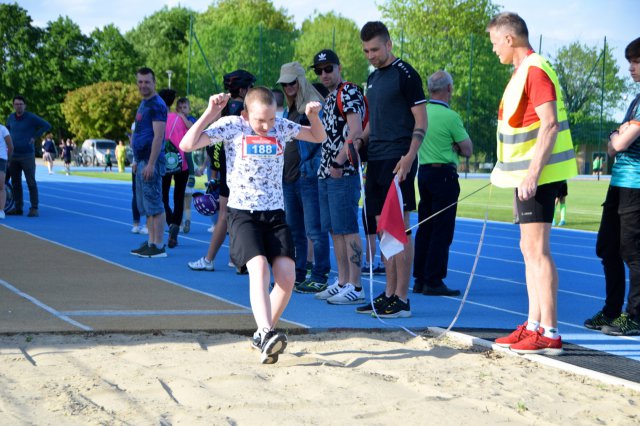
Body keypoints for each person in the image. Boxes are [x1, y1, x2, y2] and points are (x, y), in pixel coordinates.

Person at [180, 87, 327, 364]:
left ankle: (263, 335)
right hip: (243, 213)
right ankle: (266, 331)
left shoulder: (280, 126)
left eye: (271, 119)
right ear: (246, 114)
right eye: (260, 120)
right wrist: (211, 113)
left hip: (274, 213)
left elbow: (317, 136)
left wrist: (312, 117)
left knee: (287, 277)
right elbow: (187, 144)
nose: (267, 126)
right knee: (258, 267)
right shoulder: (232, 125)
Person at [487, 12, 578, 355]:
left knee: (537, 252)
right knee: (528, 250)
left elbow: (550, 124)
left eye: (495, 42)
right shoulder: (521, 72)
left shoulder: (535, 68)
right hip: (525, 177)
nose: (494, 49)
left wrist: (533, 174)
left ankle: (550, 332)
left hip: (539, 177)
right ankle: (534, 324)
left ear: (509, 39)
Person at [356, 22, 427, 318]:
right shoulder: (373, 79)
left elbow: (421, 121)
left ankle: (402, 298)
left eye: (374, 49)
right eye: (366, 51)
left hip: (399, 159)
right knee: (382, 229)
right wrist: (360, 138)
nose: (370, 55)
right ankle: (387, 294)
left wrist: (410, 156)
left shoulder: (406, 74)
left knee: (399, 229)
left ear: (389, 44)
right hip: (375, 159)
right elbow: (375, 119)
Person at [584, 36, 640, 337]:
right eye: (630, 61)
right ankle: (612, 310)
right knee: (607, 247)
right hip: (619, 183)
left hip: (636, 186)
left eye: (637, 61)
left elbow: (618, 142)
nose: (631, 67)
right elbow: (612, 147)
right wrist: (617, 137)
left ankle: (635, 316)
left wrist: (618, 136)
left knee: (633, 251)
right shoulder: (635, 100)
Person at [304, 49, 366, 304]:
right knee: (334, 229)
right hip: (326, 172)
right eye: (319, 71)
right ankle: (342, 281)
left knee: (347, 229)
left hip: (343, 171)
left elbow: (356, 131)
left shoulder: (349, 92)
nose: (324, 74)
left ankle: (357, 286)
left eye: (328, 68)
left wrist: (340, 162)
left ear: (339, 68)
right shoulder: (329, 98)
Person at [188, 70, 256, 273]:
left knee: (226, 216)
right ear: (244, 90)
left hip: (228, 172)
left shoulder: (222, 110)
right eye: (250, 87)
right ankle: (238, 259)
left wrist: (215, 174)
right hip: (244, 171)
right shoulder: (247, 111)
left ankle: (215, 259)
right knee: (244, 216)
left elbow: (213, 146)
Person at [413, 70, 473, 297]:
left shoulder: (422, 113)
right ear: (449, 88)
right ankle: (434, 279)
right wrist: (456, 146)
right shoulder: (451, 117)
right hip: (444, 175)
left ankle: (420, 277)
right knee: (442, 229)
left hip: (424, 172)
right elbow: (467, 149)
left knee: (425, 226)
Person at [276, 61, 331, 293]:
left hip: (307, 177)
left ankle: (319, 274)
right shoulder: (290, 108)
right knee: (294, 230)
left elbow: (322, 140)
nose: (288, 86)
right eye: (285, 83)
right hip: (289, 179)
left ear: (301, 81)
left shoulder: (312, 107)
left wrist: (309, 168)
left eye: (292, 82)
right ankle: (298, 273)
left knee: (314, 230)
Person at [129, 67, 168, 258]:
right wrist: (137, 160)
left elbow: (158, 136)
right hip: (142, 160)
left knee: (155, 205)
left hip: (151, 161)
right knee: (147, 206)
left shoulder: (157, 105)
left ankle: (158, 245)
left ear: (154, 83)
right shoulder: (145, 103)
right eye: (140, 82)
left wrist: (151, 163)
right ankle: (152, 242)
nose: (143, 85)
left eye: (147, 82)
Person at [6, 95, 51, 217]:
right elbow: (7, 132)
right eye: (16, 104)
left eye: (21, 104)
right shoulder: (10, 118)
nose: (19, 106)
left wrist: (35, 137)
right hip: (14, 155)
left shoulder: (31, 117)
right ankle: (18, 207)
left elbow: (47, 125)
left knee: (31, 182)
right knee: (15, 183)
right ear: (13, 105)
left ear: (24, 106)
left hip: (27, 155)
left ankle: (34, 208)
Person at [158, 88, 191, 249]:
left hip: (164, 163)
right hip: (182, 163)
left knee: (163, 196)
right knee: (179, 197)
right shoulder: (181, 118)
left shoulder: (159, 119)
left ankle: (171, 222)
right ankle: (175, 228)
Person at [176, 97, 197, 234]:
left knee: (187, 198)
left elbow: (191, 127)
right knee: (179, 197)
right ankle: (181, 222)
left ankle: (187, 221)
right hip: (178, 164)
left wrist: (182, 118)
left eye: (185, 108)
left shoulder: (191, 120)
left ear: (189, 109)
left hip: (188, 164)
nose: (183, 110)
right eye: (180, 108)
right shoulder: (175, 121)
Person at [0, 122, 14, 219]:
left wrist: (8, 159)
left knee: (1, 186)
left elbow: (10, 147)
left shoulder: (3, 129)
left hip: (1, 159)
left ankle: (1, 210)